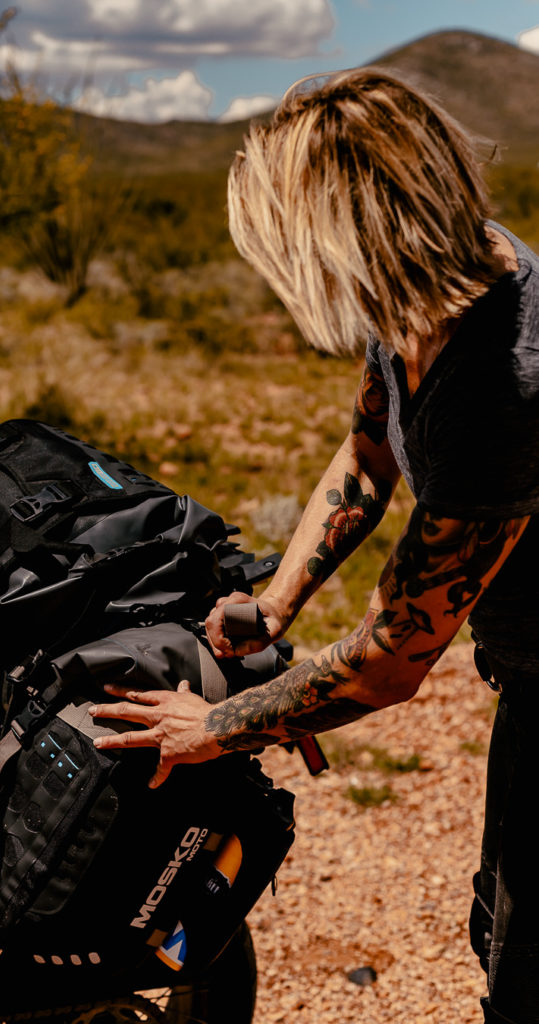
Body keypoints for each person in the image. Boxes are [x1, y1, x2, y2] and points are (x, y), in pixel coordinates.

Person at [88, 69, 539, 1023]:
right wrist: (275, 603)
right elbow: (368, 452)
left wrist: (214, 727)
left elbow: (388, 663)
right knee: (497, 928)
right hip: (525, 671)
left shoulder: (506, 384)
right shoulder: (418, 299)